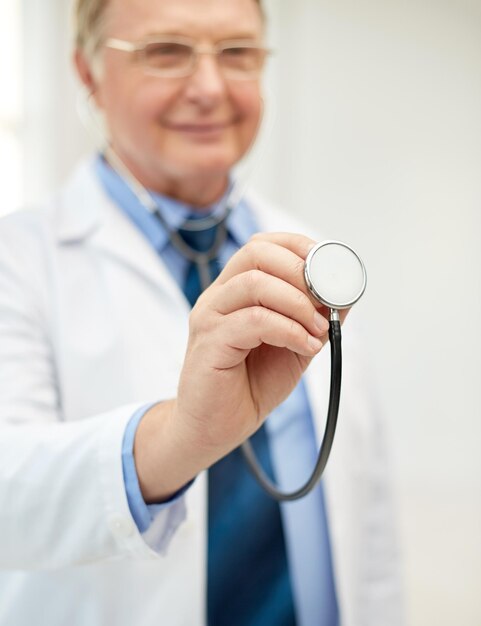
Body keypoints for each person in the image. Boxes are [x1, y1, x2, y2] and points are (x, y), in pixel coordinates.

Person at [0, 0, 402, 624]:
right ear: (87, 73)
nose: (211, 88)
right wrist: (182, 437)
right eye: (166, 52)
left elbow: (364, 516)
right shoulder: (19, 261)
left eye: (238, 53)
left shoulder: (315, 253)